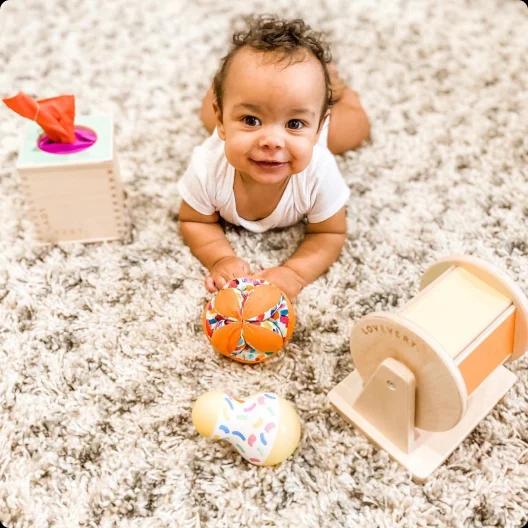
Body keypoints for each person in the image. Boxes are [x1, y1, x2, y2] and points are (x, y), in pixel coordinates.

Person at [178, 15, 370, 300]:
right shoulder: (207, 167)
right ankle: (225, 88)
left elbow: (328, 234)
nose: (271, 141)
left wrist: (294, 272)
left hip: (326, 123)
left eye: (294, 124)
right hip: (233, 114)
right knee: (205, 111)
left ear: (318, 129)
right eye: (251, 119)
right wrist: (220, 259)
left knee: (357, 129)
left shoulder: (319, 171)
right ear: (223, 121)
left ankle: (335, 86)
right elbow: (195, 221)